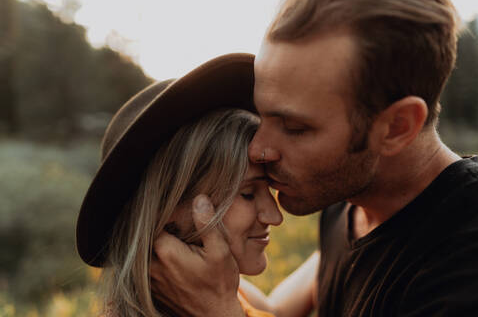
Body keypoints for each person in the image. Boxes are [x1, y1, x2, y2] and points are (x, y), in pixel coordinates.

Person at [150, 0, 478, 316]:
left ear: (397, 126)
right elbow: (276, 310)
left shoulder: (473, 261)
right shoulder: (351, 206)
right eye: (261, 115)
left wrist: (217, 312)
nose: (257, 149)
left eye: (295, 128)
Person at [75, 53, 305, 316]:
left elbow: (275, 309)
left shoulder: (234, 294)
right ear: (165, 212)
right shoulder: (221, 300)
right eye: (248, 194)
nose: (275, 216)